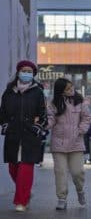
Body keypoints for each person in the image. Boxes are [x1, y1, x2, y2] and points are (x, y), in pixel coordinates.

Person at [0, 60, 47, 212]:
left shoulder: (38, 92)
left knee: (26, 169)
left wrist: (37, 128)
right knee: (13, 169)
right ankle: (25, 193)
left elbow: (43, 115)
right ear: (18, 72)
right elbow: (2, 113)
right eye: (24, 70)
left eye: (29, 71)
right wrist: (5, 125)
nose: (26, 73)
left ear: (33, 74)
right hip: (13, 135)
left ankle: (21, 201)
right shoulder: (9, 92)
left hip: (30, 136)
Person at [47, 78, 91, 210]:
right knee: (60, 172)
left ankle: (80, 191)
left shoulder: (80, 101)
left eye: (72, 87)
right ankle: (61, 198)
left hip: (76, 143)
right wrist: (43, 125)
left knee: (78, 172)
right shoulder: (53, 103)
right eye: (67, 88)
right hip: (58, 144)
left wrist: (81, 130)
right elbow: (50, 119)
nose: (71, 90)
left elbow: (87, 117)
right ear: (61, 91)